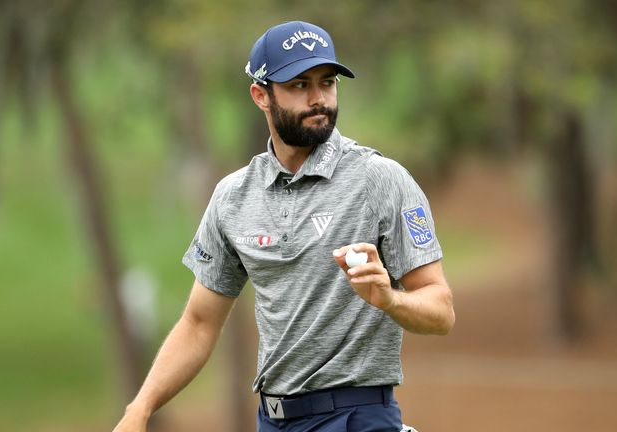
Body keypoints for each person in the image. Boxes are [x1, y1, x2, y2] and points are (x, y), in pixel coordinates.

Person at [112, 20, 455, 432]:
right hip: (272, 422)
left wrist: (390, 300)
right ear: (261, 95)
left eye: (327, 83)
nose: (318, 99)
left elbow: (441, 310)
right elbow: (199, 323)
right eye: (299, 85)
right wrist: (140, 409)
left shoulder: (380, 179)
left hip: (356, 417)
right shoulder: (233, 197)